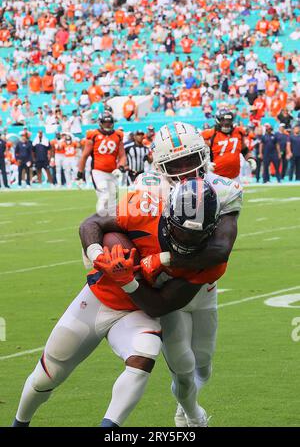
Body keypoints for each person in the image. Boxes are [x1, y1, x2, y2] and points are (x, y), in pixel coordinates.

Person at [12, 170, 236, 428]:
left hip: (140, 311)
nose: (187, 239)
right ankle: (19, 423)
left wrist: (128, 280)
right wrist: (98, 257)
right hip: (98, 299)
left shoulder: (209, 260)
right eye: (181, 230)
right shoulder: (146, 206)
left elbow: (160, 305)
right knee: (46, 377)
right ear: (167, 215)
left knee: (145, 353)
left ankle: (108, 428)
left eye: (196, 234)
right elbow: (90, 224)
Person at [81, 122, 243, 427]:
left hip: (202, 288)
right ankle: (192, 413)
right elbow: (106, 224)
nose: (183, 171)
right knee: (182, 365)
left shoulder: (223, 189)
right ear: (160, 166)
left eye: (189, 162)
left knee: (204, 366)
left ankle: (189, 406)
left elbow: (220, 250)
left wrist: (163, 256)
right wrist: (107, 254)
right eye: (174, 165)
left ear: (203, 157)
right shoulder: (148, 187)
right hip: (169, 290)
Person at [77, 112, 127, 214]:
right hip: (98, 171)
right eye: (105, 122)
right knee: (105, 194)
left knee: (113, 200)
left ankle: (109, 224)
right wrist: (80, 172)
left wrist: (121, 166)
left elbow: (122, 156)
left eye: (109, 122)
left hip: (112, 172)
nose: (108, 125)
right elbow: (84, 155)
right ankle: (100, 217)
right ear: (100, 123)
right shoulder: (94, 135)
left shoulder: (118, 135)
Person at [202, 108, 256, 181]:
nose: (226, 123)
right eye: (223, 121)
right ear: (218, 121)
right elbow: (199, 153)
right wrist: (206, 164)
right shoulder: (211, 134)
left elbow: (245, 150)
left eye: (228, 121)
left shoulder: (238, 132)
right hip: (216, 177)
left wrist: (250, 158)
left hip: (235, 177)